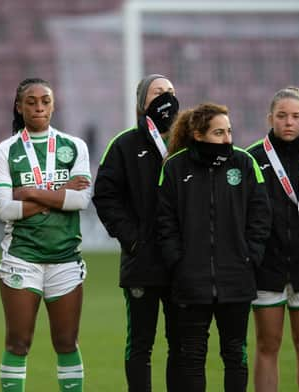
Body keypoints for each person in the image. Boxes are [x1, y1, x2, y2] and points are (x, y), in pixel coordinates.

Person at [157, 103, 271, 391]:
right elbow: (164, 220)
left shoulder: (244, 163)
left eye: (229, 131)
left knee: (235, 355)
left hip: (237, 277)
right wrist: (177, 262)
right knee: (192, 357)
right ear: (198, 134)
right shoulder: (174, 167)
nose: (227, 139)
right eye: (219, 132)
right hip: (191, 280)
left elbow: (260, 215)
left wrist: (250, 257)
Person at [0, 78, 91, 392]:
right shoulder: (4, 151)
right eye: (31, 101)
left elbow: (81, 201)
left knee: (66, 342)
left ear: (53, 105)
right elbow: (5, 209)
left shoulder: (74, 146)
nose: (39, 107)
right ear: (19, 107)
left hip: (65, 259)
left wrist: (31, 192)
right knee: (18, 342)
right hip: (22, 257)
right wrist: (59, 195)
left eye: (45, 101)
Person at [93, 74, 179, 391]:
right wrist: (131, 239)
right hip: (141, 263)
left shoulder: (191, 142)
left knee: (182, 343)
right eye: (157, 92)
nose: (165, 97)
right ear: (142, 101)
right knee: (141, 344)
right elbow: (104, 195)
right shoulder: (124, 144)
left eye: (170, 92)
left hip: (183, 262)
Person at [246, 86, 299, 392]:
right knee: (267, 345)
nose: (289, 122)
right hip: (267, 267)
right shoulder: (252, 158)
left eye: (295, 116)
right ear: (270, 118)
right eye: (282, 116)